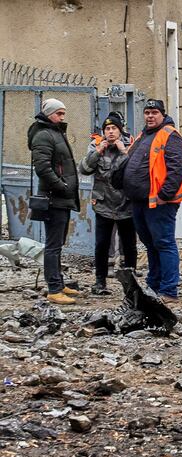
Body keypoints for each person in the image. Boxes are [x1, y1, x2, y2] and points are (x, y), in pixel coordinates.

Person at [122, 99, 182, 303]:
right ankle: (153, 285)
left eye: (154, 113)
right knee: (151, 244)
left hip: (159, 203)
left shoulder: (170, 136)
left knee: (163, 243)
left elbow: (178, 168)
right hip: (140, 200)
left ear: (162, 114)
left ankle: (169, 290)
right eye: (147, 112)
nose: (150, 116)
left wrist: (164, 196)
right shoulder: (144, 135)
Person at [27, 98, 81, 305]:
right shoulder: (44, 135)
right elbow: (42, 168)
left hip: (61, 198)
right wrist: (62, 186)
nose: (62, 117)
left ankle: (59, 282)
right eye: (58, 113)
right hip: (53, 198)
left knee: (57, 243)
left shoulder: (55, 132)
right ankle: (54, 289)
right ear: (49, 114)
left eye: (63, 113)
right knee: (52, 245)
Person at [79, 113, 137, 295]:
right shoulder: (96, 146)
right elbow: (84, 169)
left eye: (114, 129)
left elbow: (136, 170)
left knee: (129, 246)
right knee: (102, 244)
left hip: (126, 204)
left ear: (120, 131)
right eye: (107, 129)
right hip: (104, 204)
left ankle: (131, 285)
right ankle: (100, 282)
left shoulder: (130, 146)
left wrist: (124, 152)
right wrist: (97, 152)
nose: (110, 132)